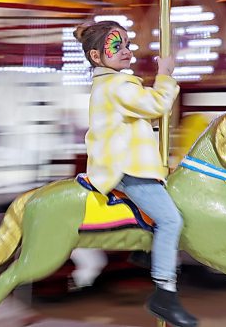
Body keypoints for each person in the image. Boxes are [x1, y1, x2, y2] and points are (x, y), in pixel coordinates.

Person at [73, 21, 197, 327]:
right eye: (116, 47)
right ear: (96, 56)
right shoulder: (118, 86)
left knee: (170, 205)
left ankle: (146, 251)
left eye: (127, 45)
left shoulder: (106, 84)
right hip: (128, 169)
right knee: (172, 219)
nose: (126, 52)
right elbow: (158, 105)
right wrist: (165, 74)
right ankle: (164, 294)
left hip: (125, 165)